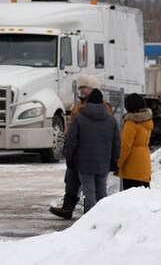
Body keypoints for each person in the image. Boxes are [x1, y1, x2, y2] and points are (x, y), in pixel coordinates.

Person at [49, 75, 112, 219]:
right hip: (76, 148)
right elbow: (71, 123)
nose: (81, 90)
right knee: (71, 180)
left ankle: (93, 213)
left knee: (92, 186)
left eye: (84, 88)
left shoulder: (103, 106)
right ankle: (68, 208)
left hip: (88, 150)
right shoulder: (78, 105)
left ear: (92, 89)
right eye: (81, 88)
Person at [64, 89, 120, 213]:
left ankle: (90, 217)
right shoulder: (111, 120)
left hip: (84, 162)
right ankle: (102, 215)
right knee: (101, 190)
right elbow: (116, 143)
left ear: (88, 102)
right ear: (102, 102)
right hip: (103, 162)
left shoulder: (79, 118)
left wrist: (69, 158)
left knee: (88, 190)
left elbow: (71, 141)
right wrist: (115, 161)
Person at [117, 93, 154, 190]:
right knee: (143, 197)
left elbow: (125, 146)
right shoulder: (147, 121)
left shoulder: (131, 123)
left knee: (131, 199)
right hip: (144, 163)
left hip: (132, 167)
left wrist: (118, 163)